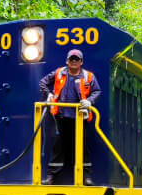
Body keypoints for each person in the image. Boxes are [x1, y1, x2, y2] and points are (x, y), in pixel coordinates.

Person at [37, 48, 101, 185]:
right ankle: (51, 176)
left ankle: (86, 177)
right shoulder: (59, 73)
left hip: (79, 117)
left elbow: (96, 91)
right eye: (71, 59)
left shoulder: (88, 76)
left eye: (76, 59)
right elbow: (43, 82)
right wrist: (48, 94)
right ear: (67, 61)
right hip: (59, 116)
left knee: (82, 146)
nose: (73, 61)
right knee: (57, 146)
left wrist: (89, 101)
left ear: (81, 62)